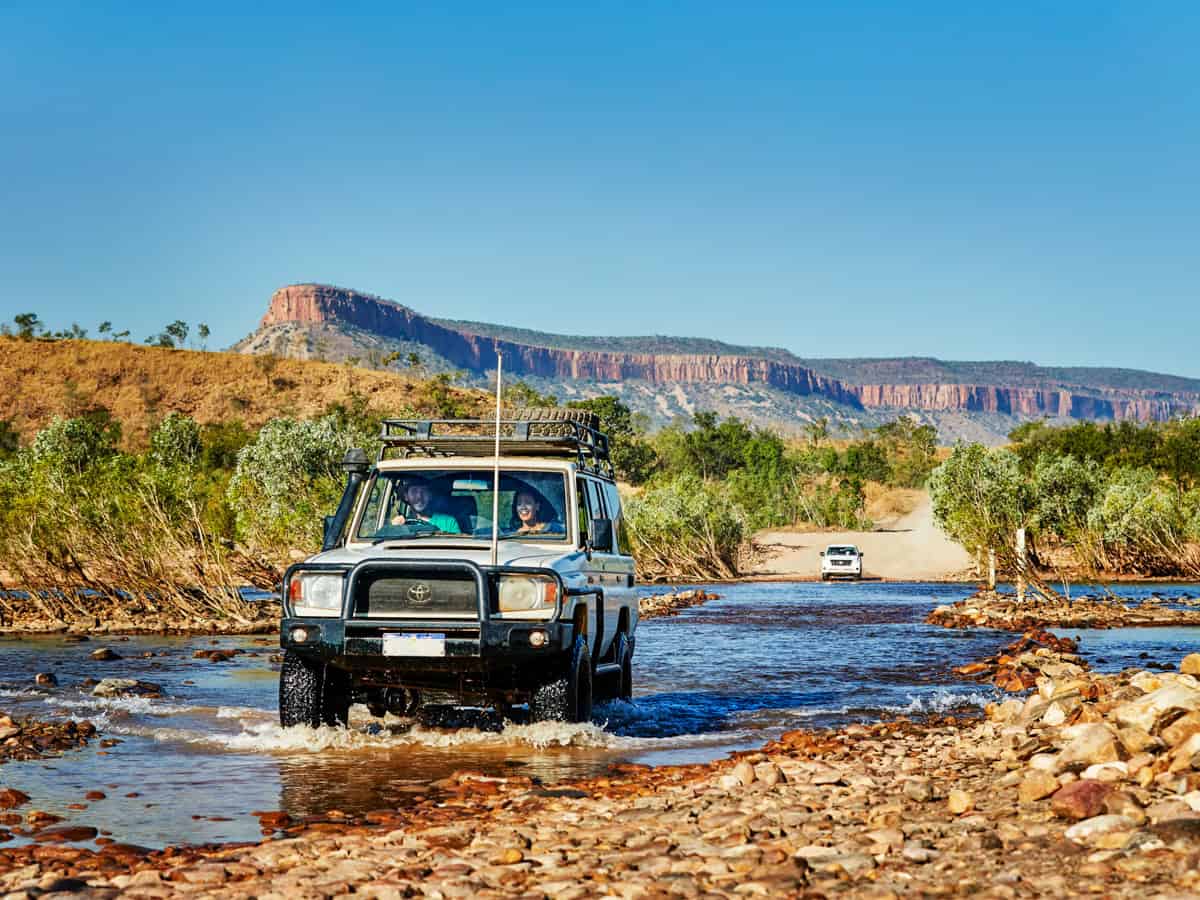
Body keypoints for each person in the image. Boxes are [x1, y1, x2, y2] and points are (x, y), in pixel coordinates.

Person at [390, 478, 461, 533]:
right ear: (406, 496)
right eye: (414, 491)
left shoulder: (449, 522)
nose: (419, 496)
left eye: (424, 491)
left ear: (430, 495)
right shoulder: (402, 524)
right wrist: (394, 529)